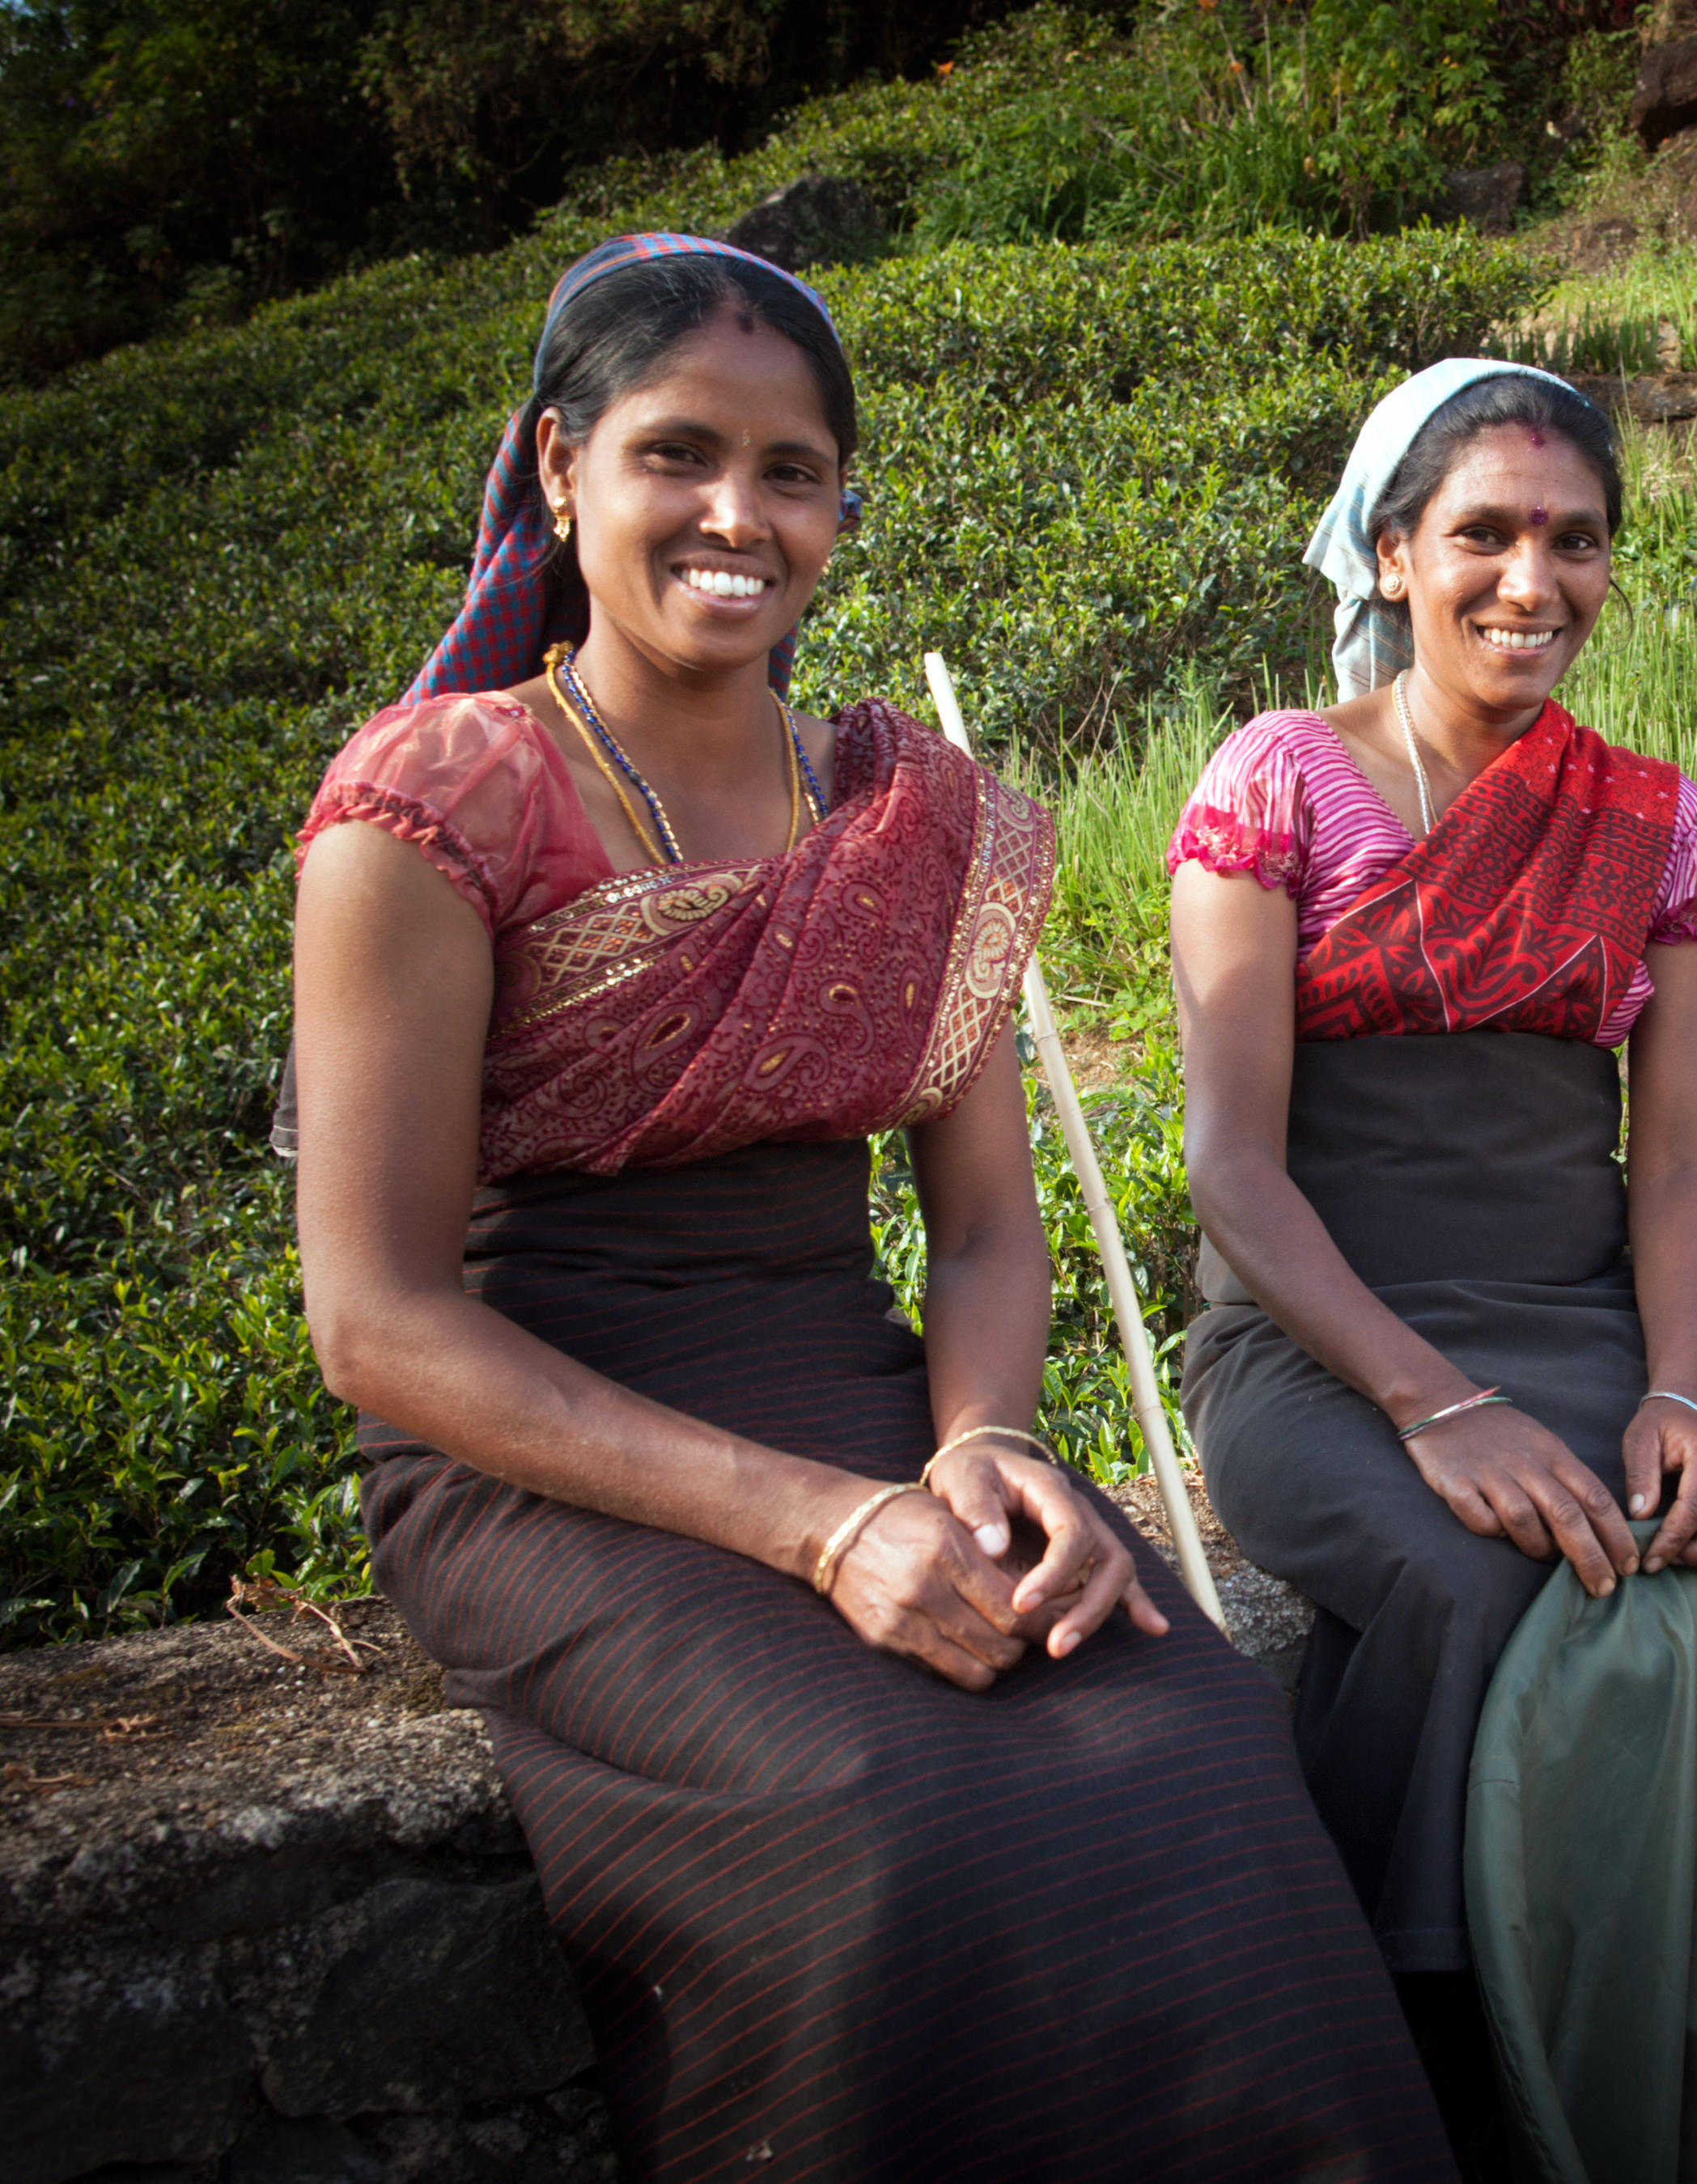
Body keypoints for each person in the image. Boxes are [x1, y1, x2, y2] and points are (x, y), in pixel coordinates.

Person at [289, 233, 1453, 2183]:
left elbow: (986, 1231)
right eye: (677, 455)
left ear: (841, 506)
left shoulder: (916, 823)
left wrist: (987, 1442)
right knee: (868, 1812)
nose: (736, 516)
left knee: (1198, 1751)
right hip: (543, 1442)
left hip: (865, 1388)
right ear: (559, 469)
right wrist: (828, 1531)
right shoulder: (437, 803)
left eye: (791, 471)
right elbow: (378, 1324)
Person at [1167, 358, 1697, 2157]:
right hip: (1317, 1337)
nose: (1533, 579)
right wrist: (1433, 1406)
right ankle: (1397, 2055)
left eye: (1574, 540)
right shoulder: (1281, 782)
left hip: (1577, 1320)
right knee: (1465, 1574)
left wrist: (1685, 1390)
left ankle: (1606, 2038)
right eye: (1484, 534)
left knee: (1687, 1592)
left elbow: (1669, 1163)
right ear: (1390, 552)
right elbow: (1232, 1169)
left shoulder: (1662, 824)